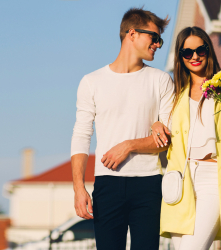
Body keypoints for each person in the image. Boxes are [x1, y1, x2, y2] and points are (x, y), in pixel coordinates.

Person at [70, 8, 173, 250]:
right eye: (154, 37)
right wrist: (78, 188)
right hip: (107, 184)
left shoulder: (161, 80)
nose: (158, 44)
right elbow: (81, 136)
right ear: (132, 33)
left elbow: (167, 138)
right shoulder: (91, 81)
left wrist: (129, 145)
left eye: (160, 39)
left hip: (149, 184)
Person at [151, 26, 221, 250]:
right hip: (181, 180)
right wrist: (155, 124)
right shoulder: (175, 95)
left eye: (200, 50)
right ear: (180, 57)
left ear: (208, 51)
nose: (194, 56)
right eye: (187, 52)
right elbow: (164, 127)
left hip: (213, 178)